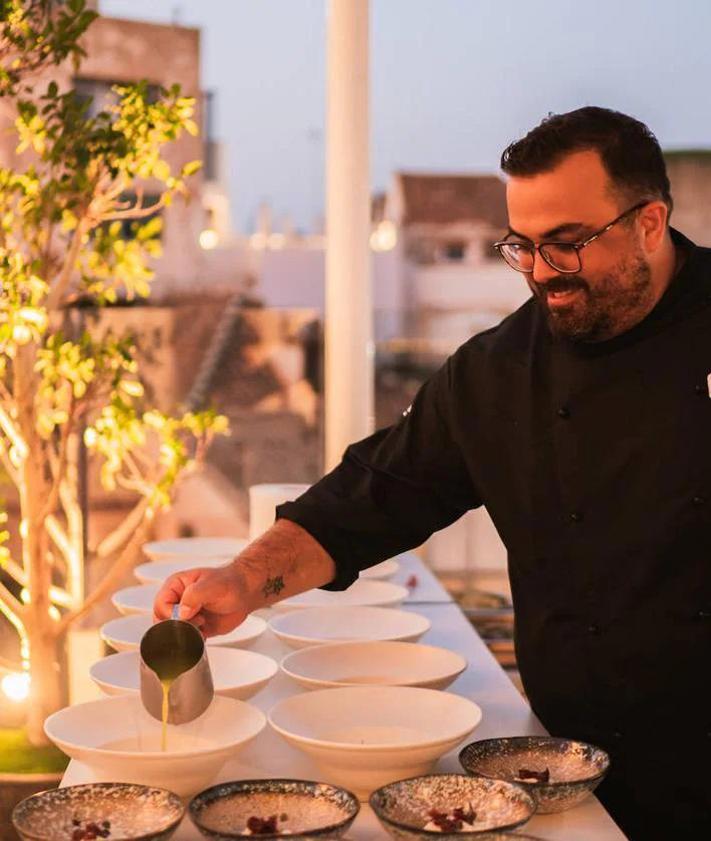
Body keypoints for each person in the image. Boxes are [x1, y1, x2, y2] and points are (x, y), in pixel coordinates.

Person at [154, 107, 711, 839]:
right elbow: (374, 494)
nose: (543, 273)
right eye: (522, 246)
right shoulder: (496, 370)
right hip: (563, 764)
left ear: (648, 221)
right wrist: (245, 578)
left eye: (568, 244)